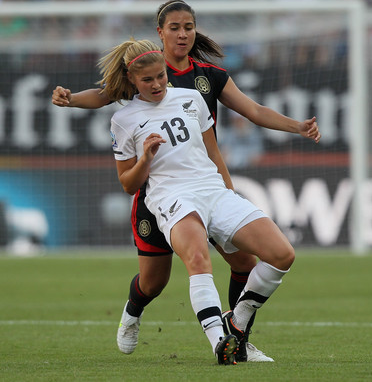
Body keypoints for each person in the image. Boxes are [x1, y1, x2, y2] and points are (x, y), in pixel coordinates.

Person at [52, 0, 320, 362]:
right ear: (159, 32)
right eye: (174, 27)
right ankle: (133, 312)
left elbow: (236, 127)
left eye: (188, 27)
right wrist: (70, 101)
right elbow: (103, 95)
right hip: (158, 197)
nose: (182, 34)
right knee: (154, 282)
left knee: (244, 261)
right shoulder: (137, 83)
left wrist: (295, 127)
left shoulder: (204, 82)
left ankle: (236, 339)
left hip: (206, 188)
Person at [104, 38, 296, 365]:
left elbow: (212, 151)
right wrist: (146, 159)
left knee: (282, 254)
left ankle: (238, 319)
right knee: (177, 269)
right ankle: (219, 342)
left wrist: (229, 191)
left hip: (213, 190)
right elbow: (127, 184)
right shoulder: (125, 120)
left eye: (161, 76)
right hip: (171, 197)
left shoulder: (192, 98)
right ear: (132, 80)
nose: (157, 84)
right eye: (147, 80)